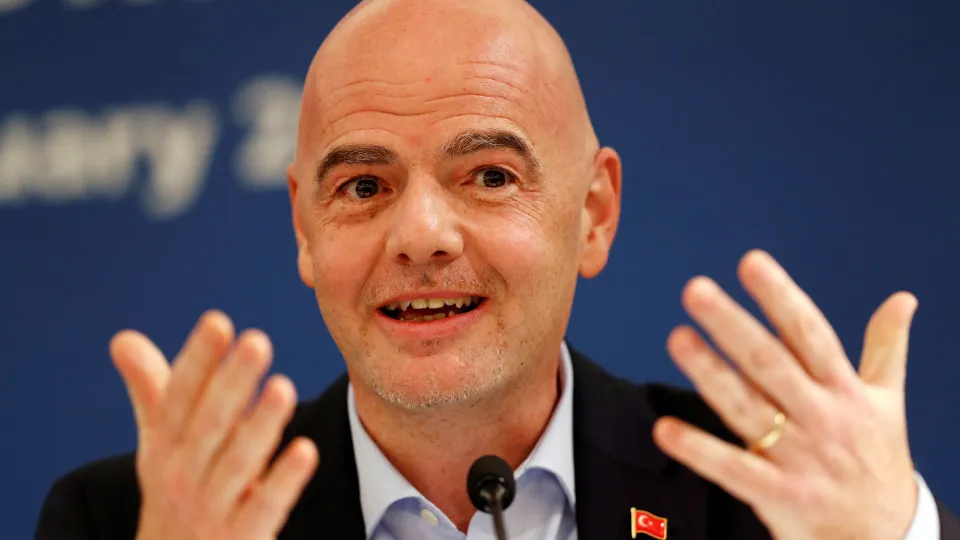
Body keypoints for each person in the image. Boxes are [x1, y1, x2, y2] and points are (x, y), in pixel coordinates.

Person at [35, 0, 959, 539]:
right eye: (363, 186)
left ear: (593, 213)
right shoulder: (130, 521)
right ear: (304, 229)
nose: (420, 236)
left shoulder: (765, 500)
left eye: (488, 176)